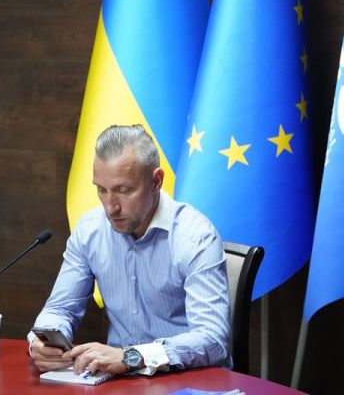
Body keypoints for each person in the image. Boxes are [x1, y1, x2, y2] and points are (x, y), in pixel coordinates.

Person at [28, 124, 231, 376]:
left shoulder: (196, 236)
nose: (110, 207)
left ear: (156, 181)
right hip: (120, 382)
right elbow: (60, 309)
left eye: (124, 190)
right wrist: (42, 343)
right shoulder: (90, 230)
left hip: (189, 380)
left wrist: (132, 357)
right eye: (101, 190)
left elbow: (213, 339)